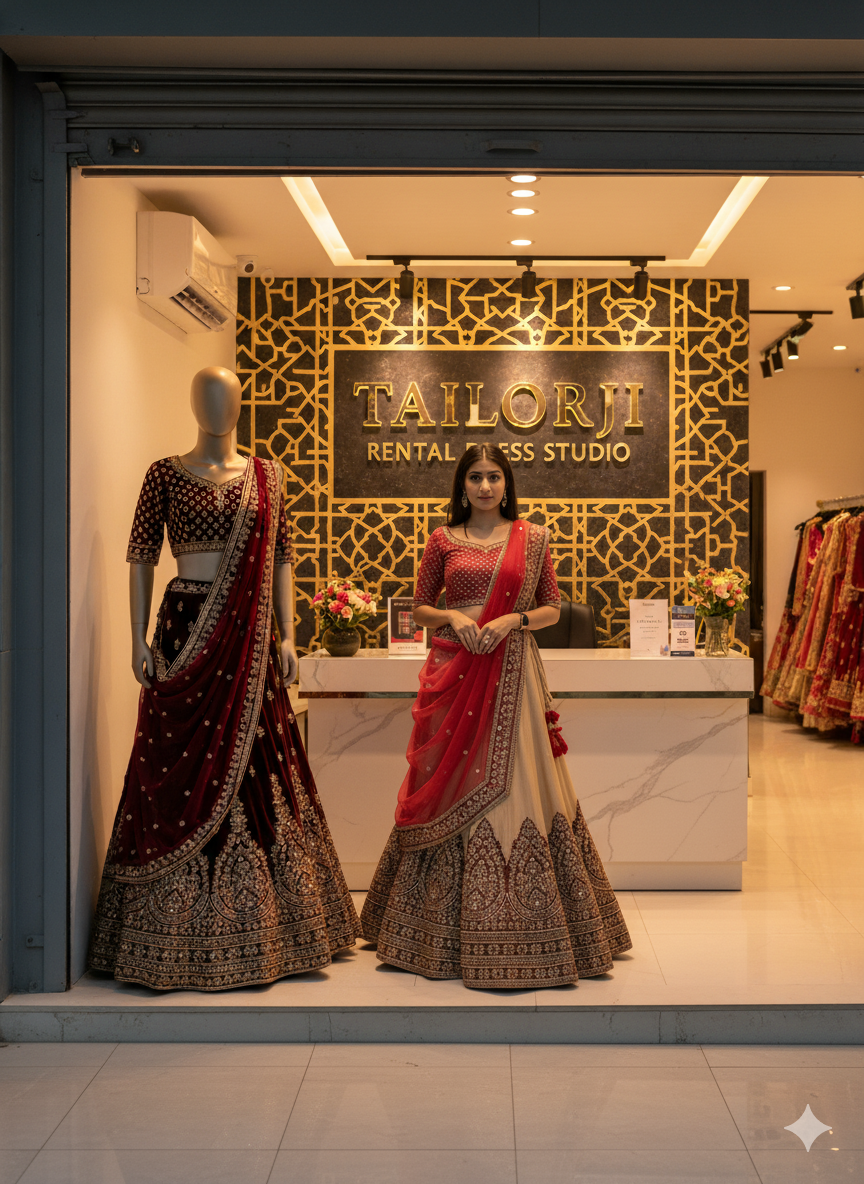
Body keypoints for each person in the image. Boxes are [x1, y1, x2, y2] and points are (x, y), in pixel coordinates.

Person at [89, 366, 359, 991]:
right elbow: (141, 556)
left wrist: (289, 634)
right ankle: (165, 928)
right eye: (208, 397)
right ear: (193, 404)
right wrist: (136, 637)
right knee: (172, 765)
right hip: (184, 630)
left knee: (260, 761)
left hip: (251, 636)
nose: (219, 407)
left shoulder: (268, 476)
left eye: (229, 397)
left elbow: (284, 555)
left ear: (240, 405)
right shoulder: (164, 473)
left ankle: (276, 925)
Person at [361, 444, 631, 987]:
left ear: (507, 485)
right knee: (448, 782)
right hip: (455, 674)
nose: (485, 486)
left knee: (523, 787)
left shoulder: (532, 538)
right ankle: (428, 929)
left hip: (513, 675)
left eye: (494, 477)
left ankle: (539, 925)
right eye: (476, 477)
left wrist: (511, 621)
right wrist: (453, 617)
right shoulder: (442, 540)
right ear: (462, 487)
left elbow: (553, 607)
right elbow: (417, 607)